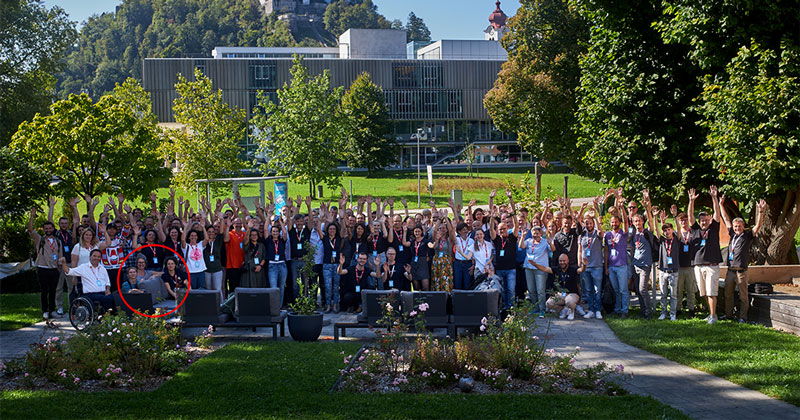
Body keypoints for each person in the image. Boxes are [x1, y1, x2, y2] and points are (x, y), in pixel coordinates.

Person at [720, 196, 766, 323]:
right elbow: (726, 219)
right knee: (728, 295)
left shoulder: (747, 235)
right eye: (735, 226)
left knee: (743, 297)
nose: (737, 228)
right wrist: (721, 205)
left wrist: (761, 212)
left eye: (739, 226)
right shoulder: (732, 234)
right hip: (730, 271)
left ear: (743, 226)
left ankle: (742, 317)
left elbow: (758, 225)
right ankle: (728, 315)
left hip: (741, 272)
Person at [688, 186, 723, 324]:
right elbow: (690, 216)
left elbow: (717, 214)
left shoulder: (714, 228)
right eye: (702, 220)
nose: (705, 222)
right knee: (704, 293)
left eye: (706, 220)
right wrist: (691, 201)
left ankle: (714, 316)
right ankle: (711, 314)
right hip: (698, 266)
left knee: (711, 292)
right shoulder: (695, 229)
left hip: (711, 266)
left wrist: (714, 197)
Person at [29, 209, 63, 319]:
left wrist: (59, 267)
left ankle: (52, 310)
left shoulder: (58, 241)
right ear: (43, 230)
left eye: (50, 228)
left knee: (53, 290)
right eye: (46, 229)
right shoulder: (40, 239)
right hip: (42, 268)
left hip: (54, 269)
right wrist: (32, 216)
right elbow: (31, 229)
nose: (48, 230)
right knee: (44, 291)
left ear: (53, 229)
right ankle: (45, 311)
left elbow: (60, 256)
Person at [531, 254, 587, 320]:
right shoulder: (556, 269)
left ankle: (572, 311)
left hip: (572, 294)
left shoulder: (573, 269)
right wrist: (535, 265)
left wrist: (584, 265)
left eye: (564, 261)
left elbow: (581, 270)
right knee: (549, 303)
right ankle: (564, 309)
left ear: (568, 261)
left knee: (569, 301)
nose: (562, 262)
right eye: (560, 261)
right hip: (561, 294)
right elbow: (545, 269)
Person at [490, 190, 520, 310]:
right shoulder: (496, 239)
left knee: (511, 289)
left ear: (507, 228)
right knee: (501, 290)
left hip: (511, 269)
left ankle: (511, 308)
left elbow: (517, 225)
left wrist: (511, 199)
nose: (502, 231)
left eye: (504, 229)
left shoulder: (512, 237)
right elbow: (492, 229)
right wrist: (492, 218)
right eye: (500, 229)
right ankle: (502, 308)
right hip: (499, 268)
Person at [631, 190, 656, 319]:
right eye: (635, 222)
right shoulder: (633, 234)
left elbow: (651, 221)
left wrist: (647, 204)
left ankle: (648, 312)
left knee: (643, 289)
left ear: (642, 222)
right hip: (635, 264)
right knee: (638, 290)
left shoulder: (647, 232)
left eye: (639, 221)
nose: (637, 223)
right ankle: (642, 310)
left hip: (645, 264)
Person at [604, 192, 631, 318]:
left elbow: (626, 221)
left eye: (616, 222)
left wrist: (622, 208)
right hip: (612, 266)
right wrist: (606, 268)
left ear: (618, 223)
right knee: (616, 290)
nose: (614, 224)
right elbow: (606, 251)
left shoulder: (623, 233)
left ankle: (625, 310)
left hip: (622, 266)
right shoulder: (608, 235)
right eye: (612, 222)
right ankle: (618, 308)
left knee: (623, 290)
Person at [578, 197, 604, 319]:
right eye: (586, 223)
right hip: (585, 267)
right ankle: (591, 310)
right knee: (588, 291)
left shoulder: (597, 234)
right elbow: (580, 250)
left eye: (590, 222)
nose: (588, 225)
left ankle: (598, 310)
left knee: (597, 290)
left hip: (597, 266)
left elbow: (601, 231)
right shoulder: (582, 234)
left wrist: (594, 217)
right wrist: (580, 263)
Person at [653, 210, 680, 321]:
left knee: (673, 295)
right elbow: (656, 230)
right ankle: (663, 312)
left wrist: (674, 216)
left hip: (674, 271)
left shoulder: (677, 239)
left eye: (669, 230)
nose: (667, 232)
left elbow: (679, 229)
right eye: (665, 230)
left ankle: (672, 314)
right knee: (663, 294)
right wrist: (655, 217)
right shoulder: (662, 240)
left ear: (672, 230)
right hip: (663, 271)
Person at [672, 206, 697, 317]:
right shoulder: (677, 234)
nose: (683, 222)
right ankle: (678, 309)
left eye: (685, 220)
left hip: (691, 266)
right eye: (681, 220)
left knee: (691, 290)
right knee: (679, 290)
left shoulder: (692, 233)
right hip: (680, 266)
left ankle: (691, 309)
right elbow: (677, 230)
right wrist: (674, 216)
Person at [520, 225, 551, 317]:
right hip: (529, 268)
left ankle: (542, 309)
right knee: (531, 289)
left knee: (540, 290)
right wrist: (523, 236)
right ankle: (535, 308)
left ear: (540, 234)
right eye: (534, 234)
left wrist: (550, 242)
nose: (535, 235)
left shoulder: (544, 242)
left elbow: (553, 249)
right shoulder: (529, 241)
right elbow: (521, 246)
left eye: (537, 233)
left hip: (540, 269)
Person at [265, 216, 289, 306]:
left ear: (279, 233)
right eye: (273, 231)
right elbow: (265, 229)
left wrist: (280, 222)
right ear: (271, 232)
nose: (275, 233)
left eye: (277, 231)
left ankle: (279, 307)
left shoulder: (282, 241)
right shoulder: (268, 241)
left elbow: (285, 232)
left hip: (282, 265)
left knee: (282, 287)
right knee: (273, 287)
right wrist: (268, 215)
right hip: (272, 266)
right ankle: (273, 306)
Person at [430, 212, 455, 292]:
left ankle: (448, 298)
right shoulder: (436, 238)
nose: (441, 230)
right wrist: (440, 219)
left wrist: (446, 218)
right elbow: (434, 229)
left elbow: (451, 230)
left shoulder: (449, 239)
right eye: (440, 228)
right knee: (437, 281)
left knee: (446, 281)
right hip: (436, 262)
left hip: (446, 263)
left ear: (446, 229)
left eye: (444, 228)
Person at [403, 226, 430, 291]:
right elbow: (404, 243)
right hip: (414, 263)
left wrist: (434, 243)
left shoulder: (425, 241)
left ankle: (427, 300)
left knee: (425, 286)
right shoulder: (412, 241)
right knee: (416, 287)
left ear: (421, 232)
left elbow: (431, 245)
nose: (417, 233)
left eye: (418, 231)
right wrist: (404, 232)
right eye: (415, 232)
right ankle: (418, 300)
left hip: (423, 264)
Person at [182, 221, 208, 289]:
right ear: (189, 237)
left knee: (201, 290)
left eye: (195, 235)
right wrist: (185, 228)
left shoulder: (200, 244)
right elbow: (182, 240)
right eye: (191, 236)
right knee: (192, 290)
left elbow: (207, 239)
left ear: (197, 237)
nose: (193, 237)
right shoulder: (186, 246)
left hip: (200, 271)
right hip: (190, 272)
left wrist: (203, 227)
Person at [224, 218, 246, 295]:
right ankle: (232, 305)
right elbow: (226, 240)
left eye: (240, 223)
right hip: (233, 265)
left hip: (243, 265)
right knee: (233, 288)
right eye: (236, 223)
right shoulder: (230, 233)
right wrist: (227, 226)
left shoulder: (244, 234)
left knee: (242, 287)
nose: (238, 225)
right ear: (233, 225)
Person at [204, 222, 225, 299]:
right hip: (207, 269)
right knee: (208, 289)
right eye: (209, 232)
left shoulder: (218, 241)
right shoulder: (204, 242)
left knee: (217, 289)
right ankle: (210, 306)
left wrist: (221, 219)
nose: (211, 233)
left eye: (213, 232)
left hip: (217, 269)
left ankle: (221, 306)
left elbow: (221, 232)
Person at [453, 222, 475, 290]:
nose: (465, 231)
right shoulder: (456, 240)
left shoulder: (471, 241)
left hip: (468, 264)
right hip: (458, 263)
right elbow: (451, 233)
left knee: (467, 284)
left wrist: (473, 265)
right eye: (463, 229)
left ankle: (467, 300)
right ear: (459, 231)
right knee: (457, 283)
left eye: (466, 229)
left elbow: (473, 255)